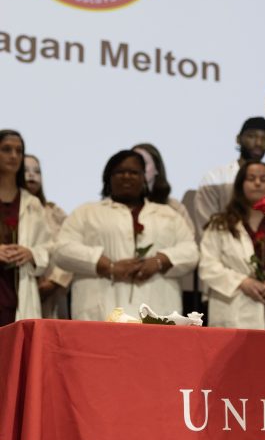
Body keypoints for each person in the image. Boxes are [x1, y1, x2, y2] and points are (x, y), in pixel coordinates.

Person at [53, 150, 199, 322]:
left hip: (158, 313)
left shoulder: (168, 215)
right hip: (100, 315)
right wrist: (107, 266)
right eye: (120, 172)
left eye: (134, 172)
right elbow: (62, 250)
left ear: (144, 178)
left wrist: (159, 262)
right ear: (108, 178)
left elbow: (191, 252)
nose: (127, 176)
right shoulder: (86, 212)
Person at [199, 161, 265, 330]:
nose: (258, 183)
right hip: (237, 313)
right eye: (251, 178)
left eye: (263, 179)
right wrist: (242, 282)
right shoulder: (220, 224)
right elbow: (208, 265)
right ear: (240, 184)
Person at [0, 130, 52, 325]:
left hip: (19, 290)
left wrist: (31, 253)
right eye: (6, 149)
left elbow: (47, 247)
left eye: (18, 151)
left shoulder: (32, 203)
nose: (13, 156)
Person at [192, 117, 265, 234]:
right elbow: (206, 227)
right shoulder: (215, 179)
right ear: (238, 139)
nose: (259, 143)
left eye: (264, 139)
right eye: (252, 136)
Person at [20, 152, 72, 318]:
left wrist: (55, 281)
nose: (31, 175)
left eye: (37, 171)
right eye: (26, 170)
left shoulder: (54, 212)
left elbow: (69, 247)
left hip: (53, 293)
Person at [133, 142, 196, 234]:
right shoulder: (113, 206)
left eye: (144, 163)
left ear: (156, 169)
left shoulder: (174, 207)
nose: (138, 168)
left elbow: (189, 241)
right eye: (134, 163)